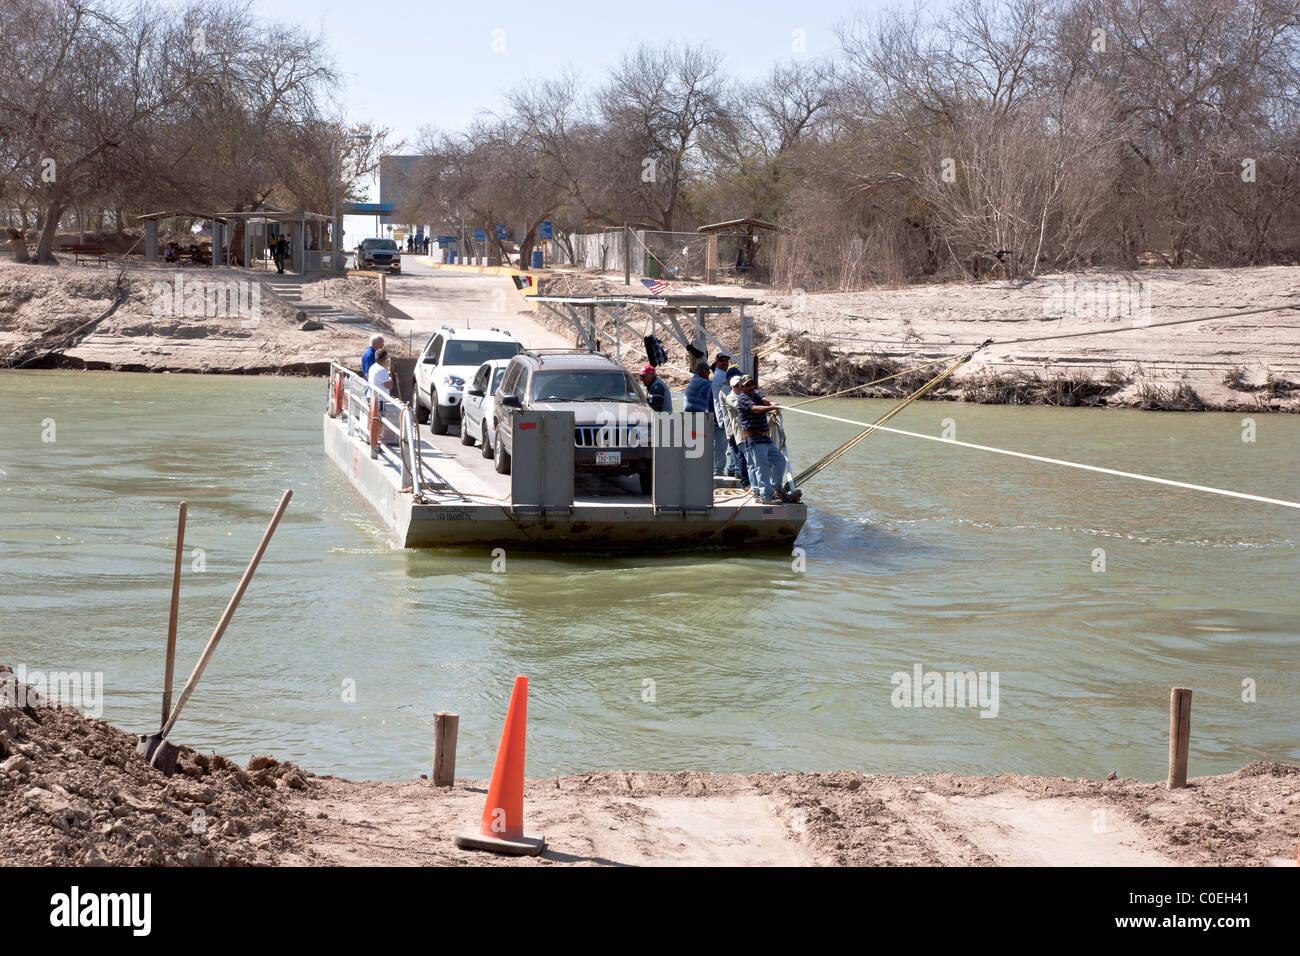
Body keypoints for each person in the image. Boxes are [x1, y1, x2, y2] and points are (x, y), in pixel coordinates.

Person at [736, 376, 800, 504]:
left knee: (780, 461)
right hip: (753, 438)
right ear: (742, 387)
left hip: (765, 438)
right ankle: (766, 497)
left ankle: (776, 489)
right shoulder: (742, 398)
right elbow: (754, 409)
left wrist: (770, 403)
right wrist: (771, 408)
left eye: (752, 384)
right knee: (762, 468)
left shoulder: (756, 393)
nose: (751, 387)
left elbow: (763, 399)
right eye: (747, 385)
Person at [721, 369, 750, 491]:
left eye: (741, 385)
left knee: (741, 457)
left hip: (742, 432)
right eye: (737, 386)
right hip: (733, 431)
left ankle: (741, 477)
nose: (740, 387)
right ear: (732, 386)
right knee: (740, 457)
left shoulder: (743, 396)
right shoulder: (730, 396)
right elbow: (743, 407)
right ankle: (745, 483)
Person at [710, 353, 732, 475]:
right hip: (722, 417)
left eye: (726, 361)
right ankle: (717, 471)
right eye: (721, 361)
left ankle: (723, 469)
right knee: (721, 446)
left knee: (721, 445)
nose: (724, 363)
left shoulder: (717, 374)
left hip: (720, 415)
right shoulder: (721, 375)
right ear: (716, 362)